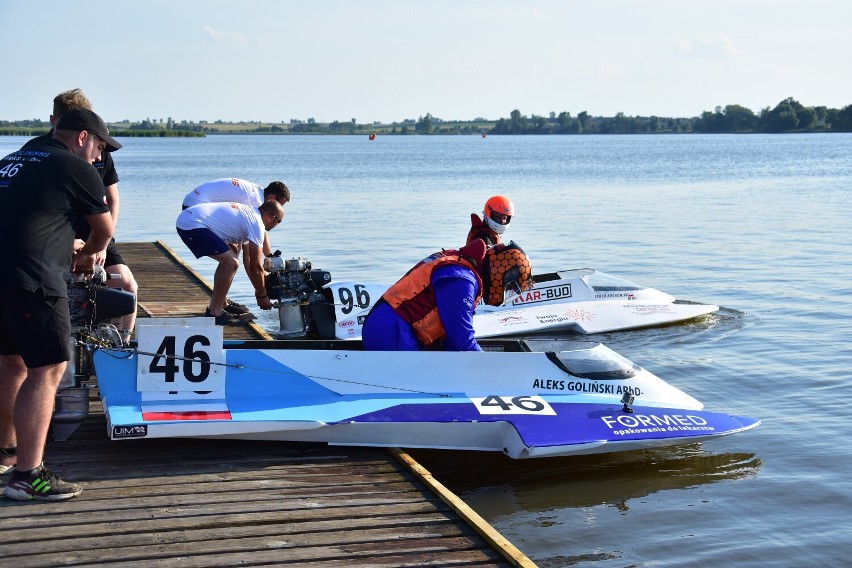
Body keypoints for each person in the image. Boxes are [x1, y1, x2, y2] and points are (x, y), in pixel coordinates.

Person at [0, 108, 118, 500]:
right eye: (100, 146)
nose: (100, 158)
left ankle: (6, 454)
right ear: (83, 137)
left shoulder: (14, 159)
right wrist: (91, 255)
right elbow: (104, 229)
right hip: (33, 281)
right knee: (48, 368)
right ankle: (28, 475)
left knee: (11, 361)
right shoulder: (75, 167)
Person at [22, 89, 139, 345]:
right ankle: (71, 343)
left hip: (95, 230)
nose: (97, 155)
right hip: (57, 233)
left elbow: (112, 200)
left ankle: (121, 346)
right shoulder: (37, 151)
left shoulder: (101, 153)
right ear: (55, 122)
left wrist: (102, 246)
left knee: (127, 284)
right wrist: (71, 246)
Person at [362, 239, 532, 351]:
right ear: (501, 272)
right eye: (508, 287)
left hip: (391, 327)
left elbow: (453, 340)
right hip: (391, 329)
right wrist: (491, 370)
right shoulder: (461, 279)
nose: (504, 292)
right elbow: (462, 339)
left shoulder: (463, 269)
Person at [182, 178, 290, 315]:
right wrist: (261, 293)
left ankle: (220, 303)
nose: (279, 207)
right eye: (280, 204)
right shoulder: (257, 203)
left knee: (231, 254)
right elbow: (251, 259)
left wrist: (269, 256)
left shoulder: (258, 197)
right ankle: (218, 308)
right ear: (272, 198)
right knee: (231, 259)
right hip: (195, 209)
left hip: (195, 206)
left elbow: (260, 234)